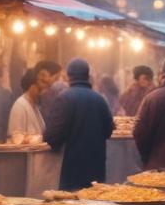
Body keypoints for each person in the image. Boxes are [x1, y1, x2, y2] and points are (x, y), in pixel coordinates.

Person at [44, 59, 114, 189]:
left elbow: (52, 136)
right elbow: (109, 130)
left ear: (68, 76)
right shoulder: (100, 100)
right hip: (96, 169)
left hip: (71, 171)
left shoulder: (63, 98)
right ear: (88, 75)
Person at [7, 69, 46, 138]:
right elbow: (16, 138)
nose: (42, 92)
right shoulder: (19, 106)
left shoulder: (34, 104)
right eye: (39, 88)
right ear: (32, 86)